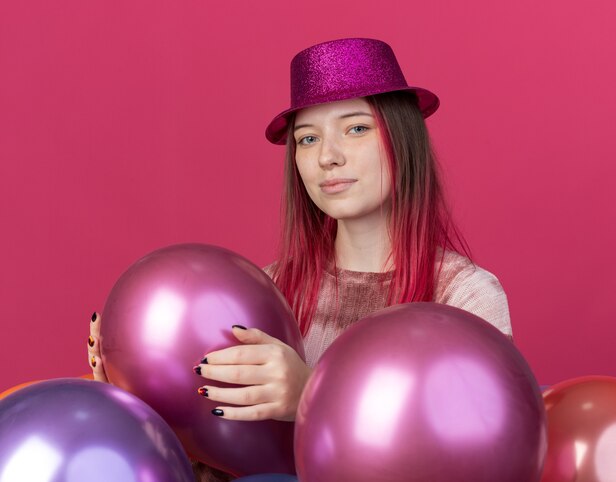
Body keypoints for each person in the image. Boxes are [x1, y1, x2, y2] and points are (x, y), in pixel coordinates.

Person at [88, 38, 512, 481]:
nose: (328, 157)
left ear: (402, 137)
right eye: (308, 139)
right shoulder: (266, 291)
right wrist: (135, 396)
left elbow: (477, 459)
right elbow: (212, 458)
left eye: (357, 128)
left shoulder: (466, 298)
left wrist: (311, 393)